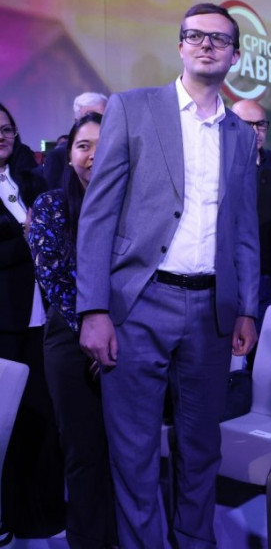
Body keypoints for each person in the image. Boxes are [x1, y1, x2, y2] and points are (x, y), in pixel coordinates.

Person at [76, 3, 259, 547]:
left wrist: (248, 307)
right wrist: (93, 308)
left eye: (219, 39)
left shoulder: (240, 134)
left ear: (235, 55)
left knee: (201, 449)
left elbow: (245, 229)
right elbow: (99, 216)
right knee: (133, 452)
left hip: (212, 312)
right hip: (137, 305)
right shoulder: (132, 109)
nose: (206, 45)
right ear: (180, 45)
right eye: (195, 35)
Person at [28, 112, 118, 547]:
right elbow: (55, 280)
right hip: (69, 337)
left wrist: (116, 334)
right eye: (84, 146)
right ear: (69, 155)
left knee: (125, 448)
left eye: (103, 145)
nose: (93, 155)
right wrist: (93, 333)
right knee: (83, 451)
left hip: (125, 336)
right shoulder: (50, 206)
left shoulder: (132, 204)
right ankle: (87, 539)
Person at [0, 102, 64, 544]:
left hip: (42, 319)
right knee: (7, 423)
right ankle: (8, 513)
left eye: (6, 129)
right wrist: (27, 238)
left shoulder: (30, 178)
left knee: (41, 417)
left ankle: (41, 512)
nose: (1, 137)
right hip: (4, 322)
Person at [232, 99, 271, 341]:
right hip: (241, 274)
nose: (256, 131)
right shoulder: (224, 164)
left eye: (261, 125)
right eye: (248, 124)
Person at [44, 92, 108, 191]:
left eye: (101, 118)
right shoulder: (57, 156)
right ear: (76, 122)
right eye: (89, 117)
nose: (95, 123)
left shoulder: (122, 152)